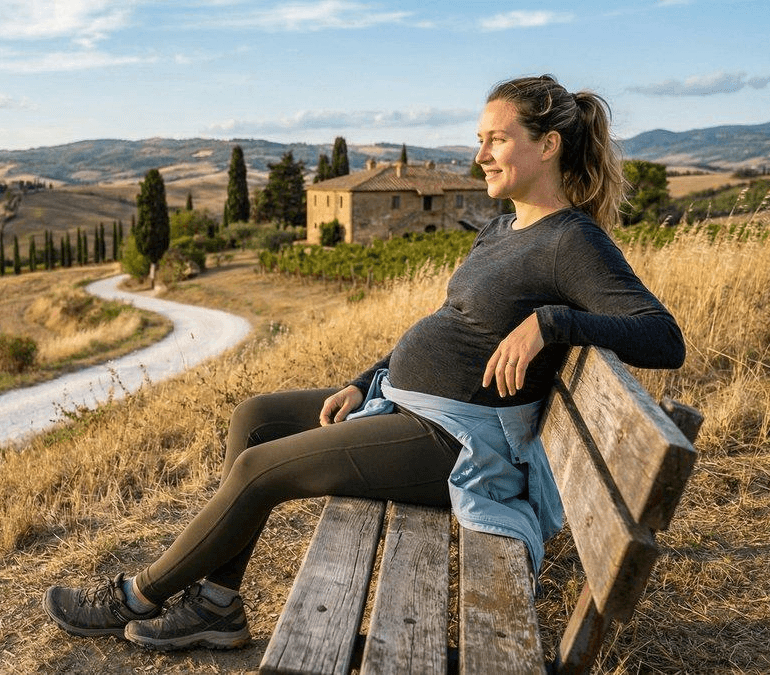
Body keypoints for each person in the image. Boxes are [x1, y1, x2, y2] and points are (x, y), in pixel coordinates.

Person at [43, 74, 686, 652]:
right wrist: (363, 381)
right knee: (258, 417)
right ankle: (217, 605)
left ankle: (136, 595)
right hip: (408, 405)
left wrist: (552, 323)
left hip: (457, 441)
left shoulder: (572, 240)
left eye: (496, 139)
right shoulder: (502, 229)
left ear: (547, 145)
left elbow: (663, 338)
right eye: (479, 139)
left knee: (261, 469)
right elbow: (449, 325)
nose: (479, 155)